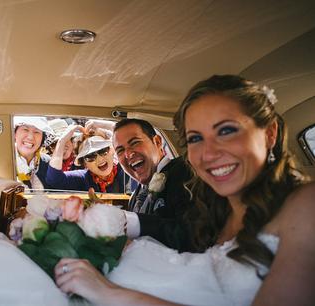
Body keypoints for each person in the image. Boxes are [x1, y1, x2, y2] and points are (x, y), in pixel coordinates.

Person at [52, 75, 315, 305]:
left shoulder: (305, 205)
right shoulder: (217, 209)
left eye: (226, 130)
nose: (209, 153)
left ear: (269, 134)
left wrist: (109, 293)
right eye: (196, 139)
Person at [112, 118, 195, 251]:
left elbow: (193, 236)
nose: (128, 154)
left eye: (135, 143)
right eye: (120, 151)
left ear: (157, 142)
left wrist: (132, 222)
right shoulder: (137, 196)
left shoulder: (185, 171)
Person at [46, 124, 132, 193]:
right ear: (85, 164)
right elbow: (54, 180)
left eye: (103, 150)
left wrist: (104, 125)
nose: (99, 158)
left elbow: (131, 135)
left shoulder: (127, 169)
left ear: (112, 151)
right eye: (90, 156)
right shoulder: (83, 178)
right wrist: (62, 140)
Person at [14, 116, 54, 189]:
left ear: (43, 138)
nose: (30, 137)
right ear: (14, 133)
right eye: (25, 129)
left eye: (36, 132)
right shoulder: (2, 159)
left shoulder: (49, 163)